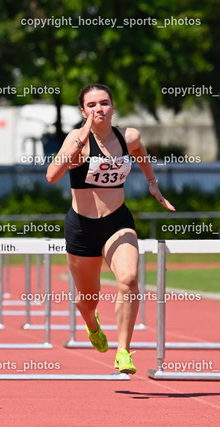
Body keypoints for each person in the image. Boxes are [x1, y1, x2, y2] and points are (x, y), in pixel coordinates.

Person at [46, 83, 175, 374]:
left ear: (113, 107)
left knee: (129, 279)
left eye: (104, 103)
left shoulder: (127, 137)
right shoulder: (76, 140)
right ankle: (92, 325)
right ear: (83, 111)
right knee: (86, 300)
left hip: (117, 222)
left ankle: (123, 351)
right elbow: (52, 176)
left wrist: (152, 183)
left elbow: (140, 151)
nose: (98, 109)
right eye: (91, 105)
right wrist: (79, 141)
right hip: (81, 228)